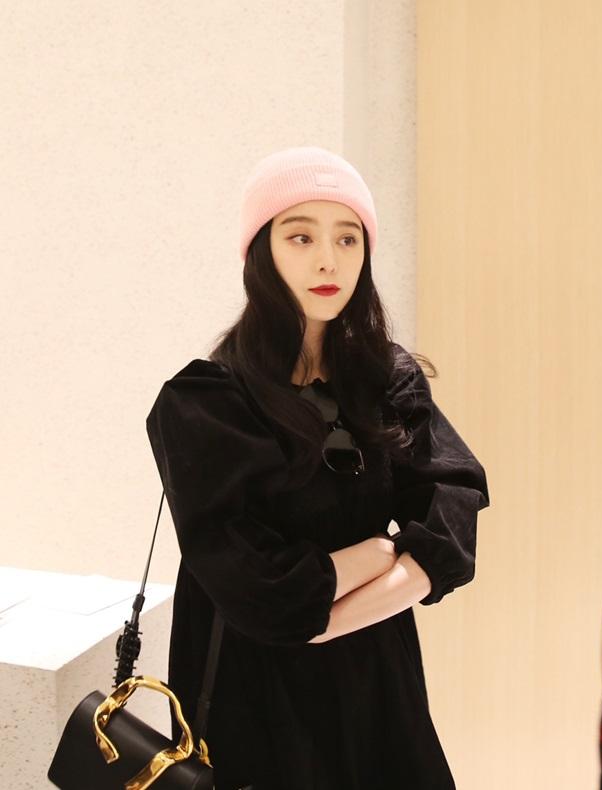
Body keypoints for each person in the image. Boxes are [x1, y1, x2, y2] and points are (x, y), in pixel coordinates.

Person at [145, 145, 491, 790]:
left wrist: (339, 613)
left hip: (374, 674)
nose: (329, 260)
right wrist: (381, 555)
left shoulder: (387, 379)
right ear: (261, 252)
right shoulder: (205, 404)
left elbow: (454, 502)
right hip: (254, 692)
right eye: (300, 236)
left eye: (347, 238)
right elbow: (258, 591)